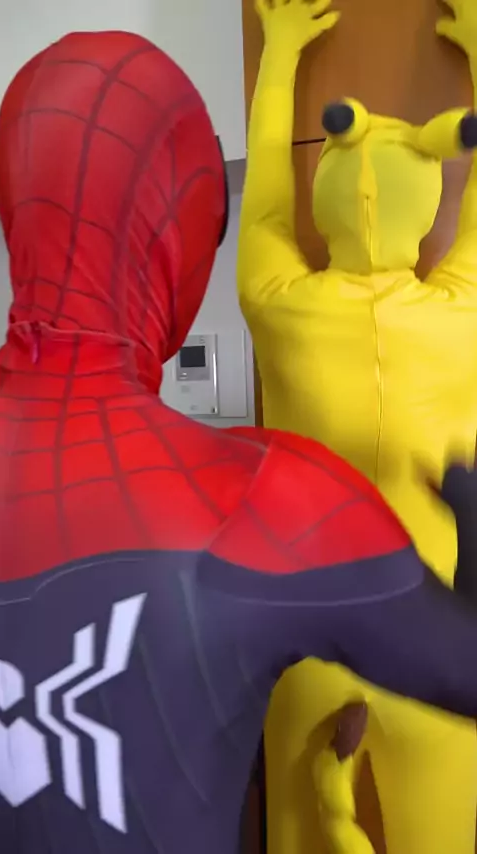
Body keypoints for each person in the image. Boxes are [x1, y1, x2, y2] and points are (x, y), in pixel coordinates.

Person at [0, 27, 477, 854]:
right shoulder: (268, 495)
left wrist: (281, 53)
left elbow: (265, 215)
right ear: (187, 224)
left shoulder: (278, 320)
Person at [238, 0, 477, 852]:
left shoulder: (275, 302)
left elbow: (266, 203)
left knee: (294, 834)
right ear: (426, 205)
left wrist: (281, 54)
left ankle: (331, 822)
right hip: (435, 640)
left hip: (302, 633)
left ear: (327, 197)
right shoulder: (464, 314)